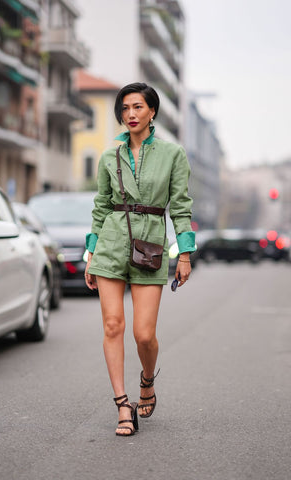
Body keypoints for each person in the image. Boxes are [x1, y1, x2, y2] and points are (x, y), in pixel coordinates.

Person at [84, 82, 195, 436]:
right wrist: (91, 252)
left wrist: (185, 253)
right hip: (112, 243)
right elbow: (101, 207)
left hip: (150, 244)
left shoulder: (172, 154)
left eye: (137, 107)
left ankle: (148, 380)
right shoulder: (108, 156)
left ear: (152, 112)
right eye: (125, 108)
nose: (130, 114)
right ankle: (122, 405)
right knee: (113, 325)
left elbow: (180, 206)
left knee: (144, 334)